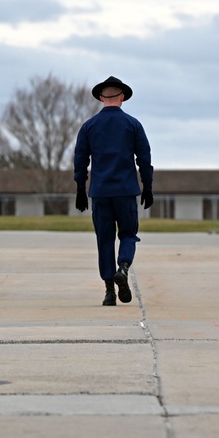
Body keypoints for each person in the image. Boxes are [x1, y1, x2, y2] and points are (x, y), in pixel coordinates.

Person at [73, 76, 154, 306]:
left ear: (100, 98)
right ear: (122, 98)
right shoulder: (133, 124)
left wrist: (81, 188)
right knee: (128, 234)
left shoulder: (88, 126)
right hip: (126, 191)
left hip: (100, 192)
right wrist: (147, 186)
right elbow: (144, 159)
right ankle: (124, 267)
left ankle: (109, 291)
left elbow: (80, 160)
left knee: (104, 240)